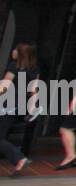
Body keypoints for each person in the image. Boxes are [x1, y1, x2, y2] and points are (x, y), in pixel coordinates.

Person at [0, 43, 40, 176]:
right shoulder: (34, 69)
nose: (13, 51)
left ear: (20, 54)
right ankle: (19, 159)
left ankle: (19, 158)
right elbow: (35, 91)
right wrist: (32, 108)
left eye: (16, 50)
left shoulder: (14, 66)